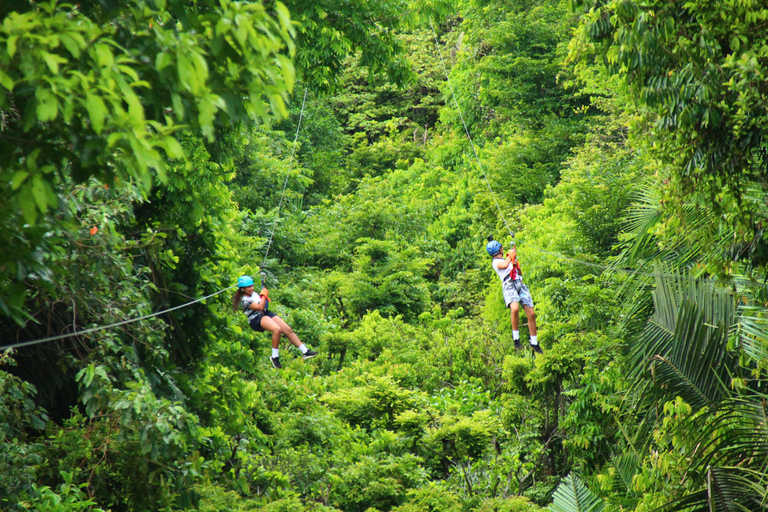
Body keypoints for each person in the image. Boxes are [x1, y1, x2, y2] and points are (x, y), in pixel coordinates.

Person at [233, 275, 317, 368]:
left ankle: (305, 351)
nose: (251, 288)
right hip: (255, 318)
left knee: (287, 329)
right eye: (248, 287)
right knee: (277, 330)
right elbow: (260, 307)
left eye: (252, 286)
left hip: (264, 313)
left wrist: (263, 296)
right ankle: (274, 357)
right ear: (242, 289)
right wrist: (264, 295)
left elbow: (262, 305)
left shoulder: (254, 294)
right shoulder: (245, 301)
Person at [486, 237, 543, 354]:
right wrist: (510, 256)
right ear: (500, 249)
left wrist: (516, 263)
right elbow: (504, 265)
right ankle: (516, 338)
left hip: (518, 282)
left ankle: (534, 342)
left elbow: (520, 272)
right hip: (509, 285)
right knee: (515, 308)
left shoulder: (507, 260)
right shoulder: (496, 262)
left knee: (531, 313)